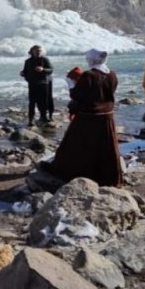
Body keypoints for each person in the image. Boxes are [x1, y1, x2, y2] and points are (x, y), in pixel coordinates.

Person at [46, 49, 123, 187]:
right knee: (105, 148)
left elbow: (77, 95)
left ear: (91, 60)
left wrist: (70, 84)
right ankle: (106, 176)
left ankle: (74, 173)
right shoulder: (112, 74)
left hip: (88, 116)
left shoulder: (89, 75)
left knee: (77, 145)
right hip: (107, 116)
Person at [20, 45, 53, 126]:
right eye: (36, 50)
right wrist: (23, 74)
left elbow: (51, 70)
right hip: (32, 84)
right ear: (32, 51)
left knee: (43, 101)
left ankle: (44, 117)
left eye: (40, 50)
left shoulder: (45, 59)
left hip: (43, 83)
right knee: (32, 102)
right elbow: (25, 71)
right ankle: (31, 119)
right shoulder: (28, 61)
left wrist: (43, 69)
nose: (38, 52)